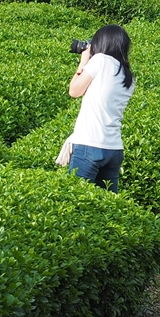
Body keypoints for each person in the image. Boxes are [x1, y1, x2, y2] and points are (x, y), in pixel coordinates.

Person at [62, 24, 135, 192]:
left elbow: (74, 91)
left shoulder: (100, 60)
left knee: (77, 197)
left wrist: (84, 60)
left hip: (89, 145)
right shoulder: (128, 76)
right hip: (114, 148)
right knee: (108, 204)